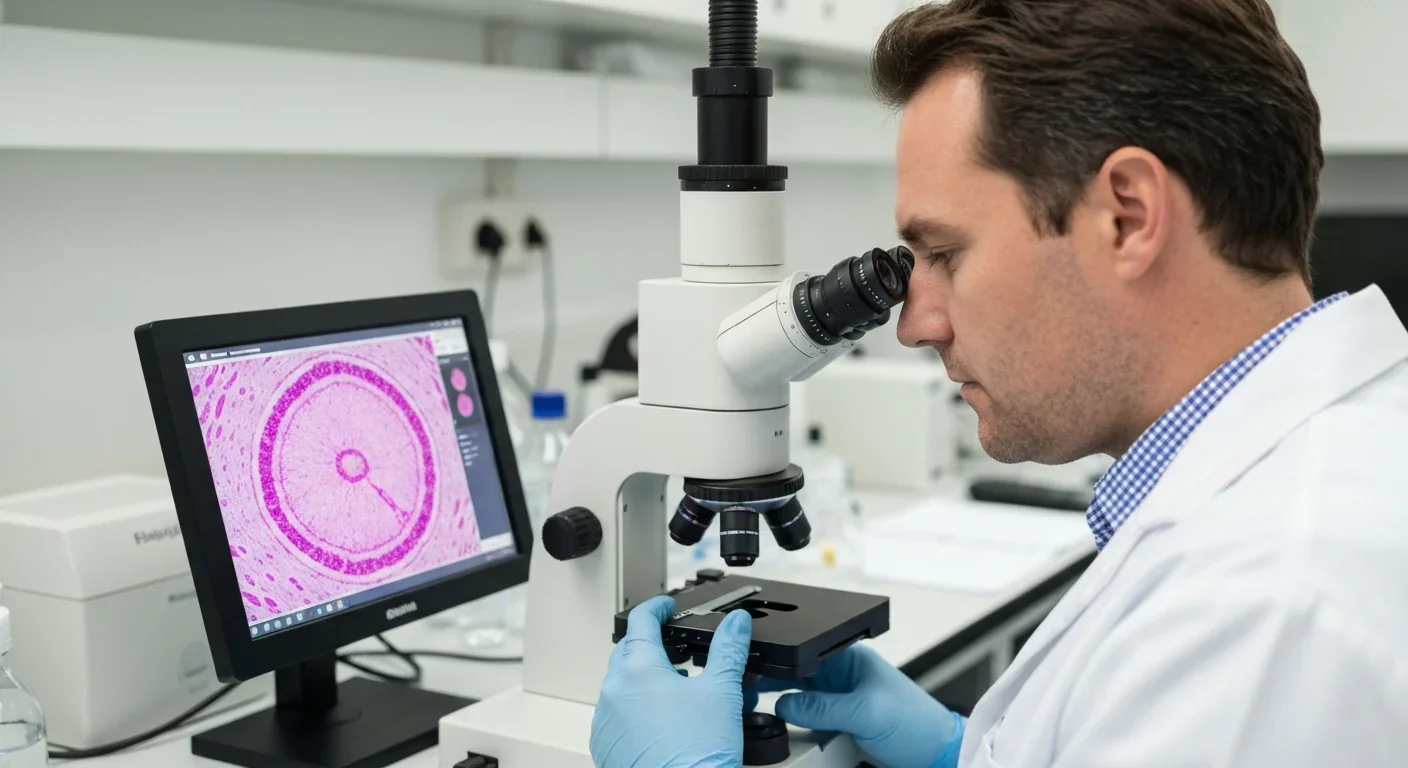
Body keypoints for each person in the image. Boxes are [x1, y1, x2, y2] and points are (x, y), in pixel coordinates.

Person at [590, 0, 1408, 766]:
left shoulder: (1266, 615)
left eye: (945, 254)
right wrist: (973, 750)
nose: (915, 325)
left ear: (1127, 216)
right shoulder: (1315, 472)